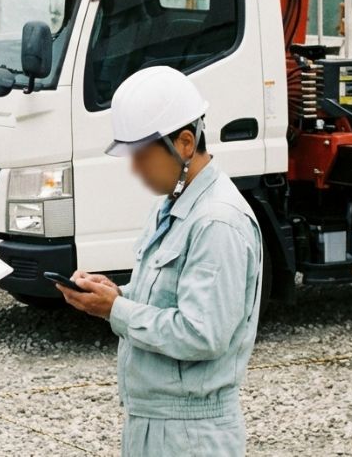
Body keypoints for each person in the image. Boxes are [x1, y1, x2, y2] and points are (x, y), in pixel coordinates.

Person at [54, 66, 263, 457]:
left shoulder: (217, 222)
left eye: (142, 156)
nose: (134, 169)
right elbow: (168, 294)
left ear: (185, 143)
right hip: (154, 422)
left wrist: (117, 310)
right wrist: (116, 294)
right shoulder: (172, 205)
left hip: (192, 434)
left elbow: (202, 333)